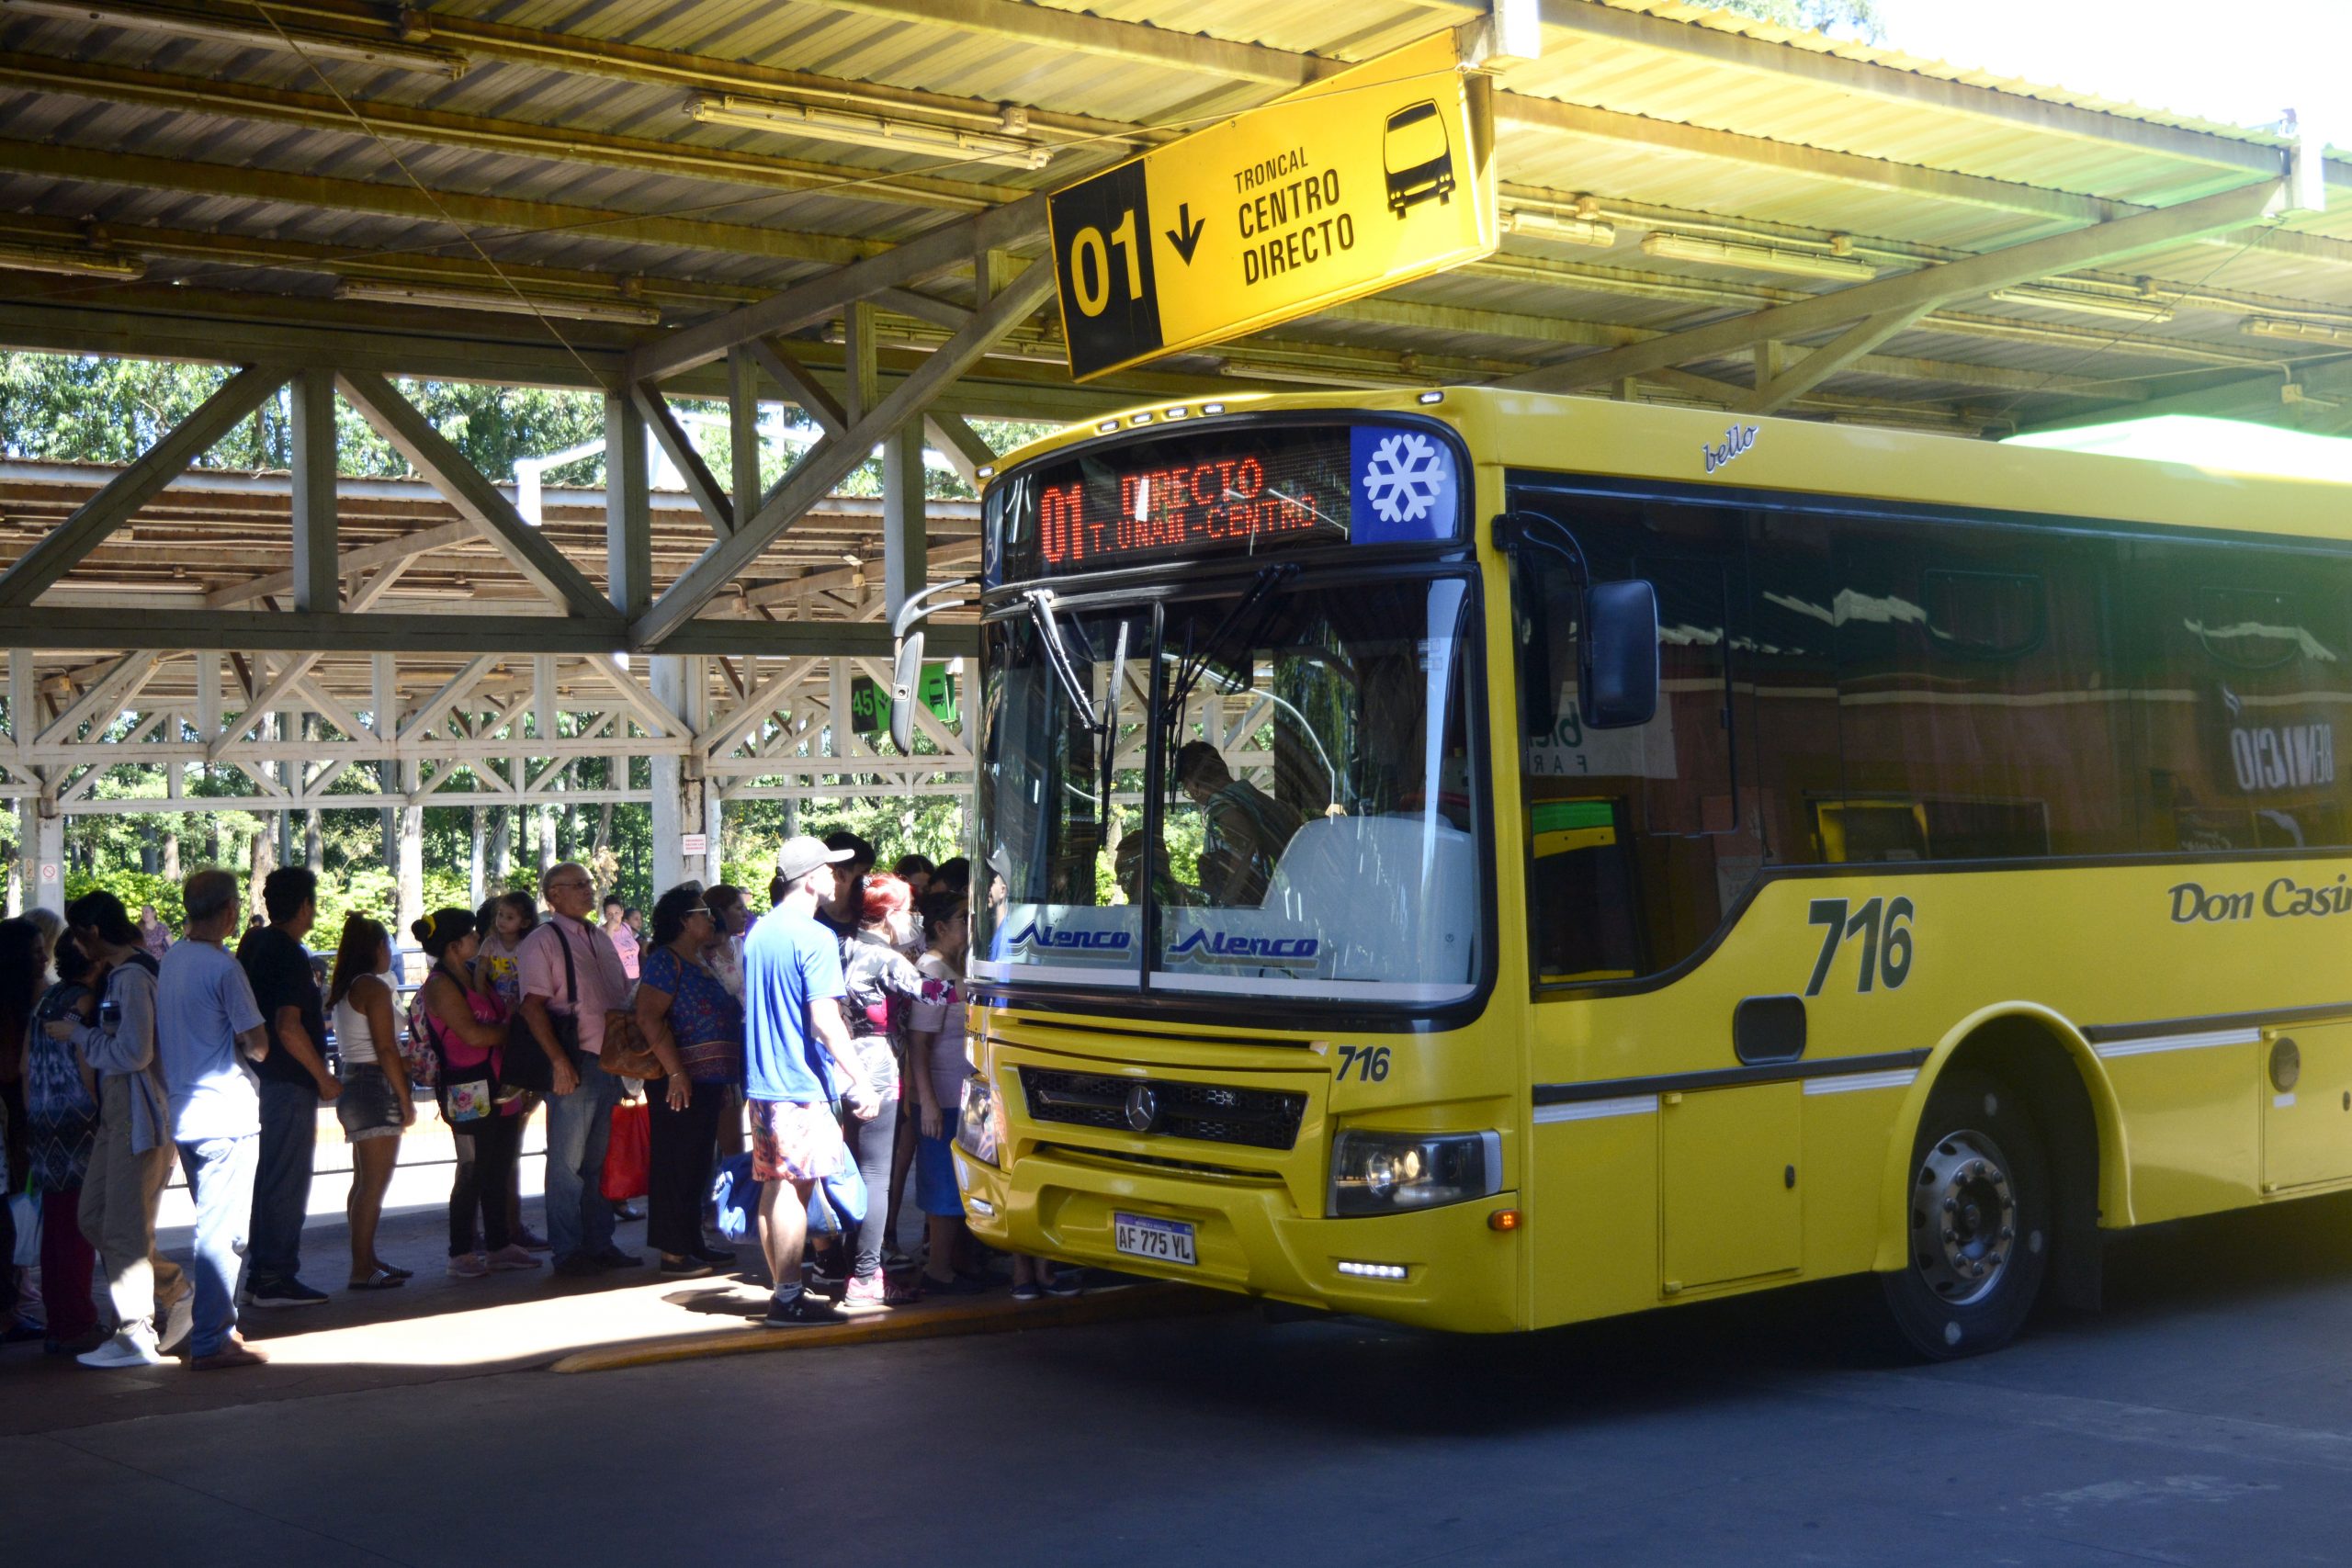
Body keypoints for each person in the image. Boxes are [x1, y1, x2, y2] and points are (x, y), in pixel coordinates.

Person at [743, 835, 882, 1327]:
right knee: (794, 1191)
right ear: (810, 878)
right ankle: (787, 1298)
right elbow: (825, 1019)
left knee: (774, 1188)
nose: (839, 878)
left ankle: (784, 1291)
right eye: (831, 870)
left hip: (763, 1086)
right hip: (800, 1087)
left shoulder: (759, 932)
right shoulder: (815, 936)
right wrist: (861, 1079)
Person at [60, 890, 186, 1368]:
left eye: (77, 934)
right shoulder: (124, 975)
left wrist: (80, 1035)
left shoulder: (133, 978)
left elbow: (135, 1052)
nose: (75, 946)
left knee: (124, 1230)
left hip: (140, 1114)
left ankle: (136, 1332)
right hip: (121, 1115)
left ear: (92, 932)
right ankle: (175, 1290)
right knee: (95, 1218)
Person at [155, 867, 271, 1369]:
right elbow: (260, 1043)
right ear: (228, 912)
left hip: (186, 1111)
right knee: (224, 1231)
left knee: (212, 1220)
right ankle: (212, 1337)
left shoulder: (172, 960)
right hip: (228, 1112)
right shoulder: (225, 969)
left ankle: (218, 1320)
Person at [520, 862, 640, 1278]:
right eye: (578, 886)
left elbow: (621, 993)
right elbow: (532, 1008)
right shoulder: (542, 942)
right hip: (576, 1060)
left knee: (597, 1162)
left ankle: (599, 1243)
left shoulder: (598, 937)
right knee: (567, 1165)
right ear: (553, 896)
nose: (589, 892)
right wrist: (558, 1062)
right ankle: (569, 1251)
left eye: (589, 885)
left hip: (607, 1060)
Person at [838, 873, 953, 1310]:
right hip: (878, 1072)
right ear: (889, 915)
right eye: (909, 911)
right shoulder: (883, 957)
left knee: (856, 1167)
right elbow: (932, 991)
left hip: (844, 1065)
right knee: (876, 1177)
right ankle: (866, 1276)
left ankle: (848, 1262)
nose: (915, 919)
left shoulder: (844, 945)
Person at [412, 908, 539, 1279]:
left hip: (497, 1083)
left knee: (498, 1165)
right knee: (472, 1169)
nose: (478, 940)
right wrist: (516, 1033)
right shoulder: (440, 985)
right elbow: (472, 1034)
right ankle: (461, 1250)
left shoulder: (470, 974)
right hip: (468, 1086)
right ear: (454, 946)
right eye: (471, 936)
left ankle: (498, 1244)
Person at [233, 865, 336, 1310]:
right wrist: (323, 1075)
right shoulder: (290, 954)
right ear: (304, 907)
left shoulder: (253, 944)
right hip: (287, 1081)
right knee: (285, 1178)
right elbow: (289, 1026)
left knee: (266, 1176)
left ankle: (262, 1272)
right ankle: (275, 1273)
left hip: (254, 1076)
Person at [633, 885, 743, 1279]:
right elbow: (648, 1017)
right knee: (675, 1162)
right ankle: (673, 1253)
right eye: (701, 912)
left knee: (697, 1163)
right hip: (677, 1080)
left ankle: (691, 1242)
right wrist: (677, 1072)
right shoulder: (665, 961)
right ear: (683, 920)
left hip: (707, 1081)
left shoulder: (698, 960)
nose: (710, 918)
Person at [25, 930, 106, 1355]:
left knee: (56, 1225)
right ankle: (77, 1322)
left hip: (43, 1119)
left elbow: (25, 1063)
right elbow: (85, 1061)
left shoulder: (44, 1002)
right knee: (81, 1224)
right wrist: (100, 1109)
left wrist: (34, 1110)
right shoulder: (83, 1003)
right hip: (79, 1121)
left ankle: (60, 1320)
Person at [325, 915, 413, 1291]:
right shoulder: (373, 989)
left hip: (354, 1082)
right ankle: (361, 1267)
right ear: (377, 948)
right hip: (375, 1085)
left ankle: (367, 1258)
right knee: (373, 1185)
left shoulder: (348, 988)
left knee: (363, 1181)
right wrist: (406, 1099)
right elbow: (386, 1048)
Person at [906, 891, 985, 1297]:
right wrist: (929, 1100)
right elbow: (918, 1042)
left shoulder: (957, 968)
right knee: (942, 1182)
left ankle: (959, 1262)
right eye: (964, 919)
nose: (972, 927)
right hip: (942, 1096)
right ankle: (939, 1270)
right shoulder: (932, 973)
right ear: (941, 928)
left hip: (965, 1096)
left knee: (964, 1180)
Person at [469, 889, 545, 1252]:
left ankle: (489, 1230)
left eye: (508, 918)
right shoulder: (467, 984)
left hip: (491, 1063)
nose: (502, 925)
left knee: (485, 1155)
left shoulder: (453, 987)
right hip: (498, 1062)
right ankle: (503, 1230)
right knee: (499, 1152)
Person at [1173, 740, 1305, 906]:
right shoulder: (1258, 800)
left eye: (1187, 790)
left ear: (1192, 785)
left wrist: (1226, 902)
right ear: (1223, 767)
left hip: (1258, 918)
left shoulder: (1223, 808)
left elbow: (1247, 848)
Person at [0, 917, 42, 1343]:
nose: (44, 957)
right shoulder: (12, 1005)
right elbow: (10, 1066)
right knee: (6, 1219)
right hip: (8, 1123)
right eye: (35, 952)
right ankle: (6, 1313)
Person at [817, 830, 876, 943]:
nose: (869, 879)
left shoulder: (870, 915)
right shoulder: (812, 915)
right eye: (864, 872)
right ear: (840, 875)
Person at [603, 894, 640, 982]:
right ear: (605, 915)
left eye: (616, 913)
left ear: (622, 912)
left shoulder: (626, 927)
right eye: (609, 914)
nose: (613, 917)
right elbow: (605, 952)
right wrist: (610, 929)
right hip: (618, 979)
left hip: (635, 977)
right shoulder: (600, 932)